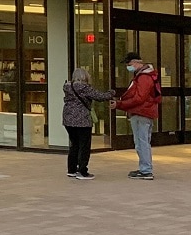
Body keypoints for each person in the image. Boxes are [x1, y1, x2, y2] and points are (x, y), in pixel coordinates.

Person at [114, 50, 161, 180]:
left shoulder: (144, 77)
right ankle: (144, 168)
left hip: (141, 112)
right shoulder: (147, 75)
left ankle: (146, 170)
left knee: (141, 142)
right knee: (143, 141)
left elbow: (139, 98)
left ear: (135, 62)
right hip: (145, 112)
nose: (128, 67)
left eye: (128, 64)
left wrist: (120, 104)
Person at [61, 67, 113, 179]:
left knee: (74, 144)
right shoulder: (84, 87)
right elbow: (100, 97)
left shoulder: (67, 87)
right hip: (82, 120)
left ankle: (71, 169)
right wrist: (111, 93)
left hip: (68, 119)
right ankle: (82, 171)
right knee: (84, 146)